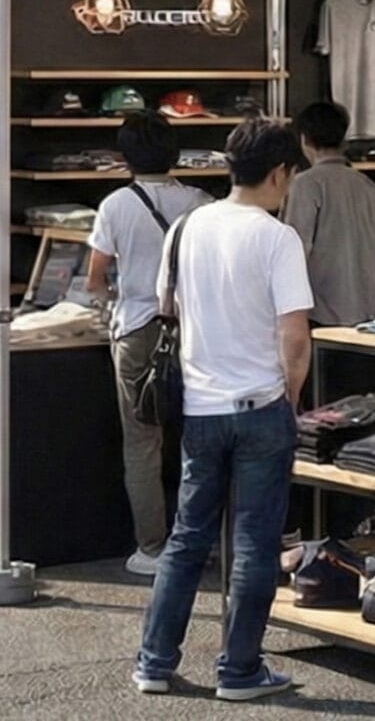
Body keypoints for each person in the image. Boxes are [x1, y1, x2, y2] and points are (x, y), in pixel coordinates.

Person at [134, 119, 313, 701]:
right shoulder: (277, 238)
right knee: (256, 542)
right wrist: (290, 397)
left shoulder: (186, 228)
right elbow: (294, 335)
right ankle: (239, 670)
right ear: (280, 172)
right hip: (261, 402)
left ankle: (154, 662)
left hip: (200, 405)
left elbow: (167, 306)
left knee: (188, 537)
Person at [87, 112, 213, 577]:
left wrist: (112, 299)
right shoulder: (200, 203)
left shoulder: (115, 205)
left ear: (125, 157)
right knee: (198, 439)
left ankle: (152, 548)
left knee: (142, 442)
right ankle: (197, 539)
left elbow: (96, 278)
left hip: (137, 330)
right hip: (194, 331)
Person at [285, 102, 375, 328]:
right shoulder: (371, 188)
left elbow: (296, 251)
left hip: (319, 315)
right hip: (368, 314)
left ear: (305, 139)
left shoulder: (305, 185)